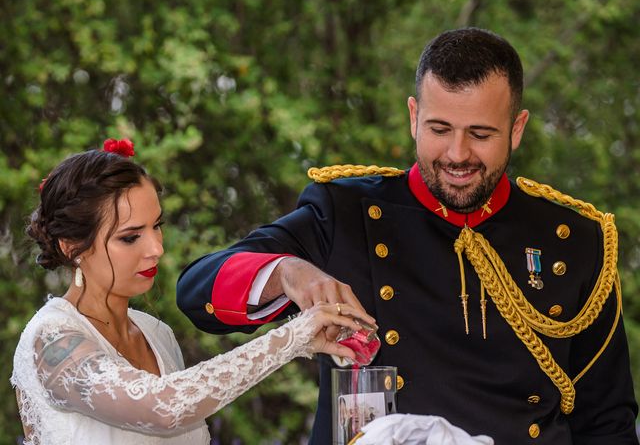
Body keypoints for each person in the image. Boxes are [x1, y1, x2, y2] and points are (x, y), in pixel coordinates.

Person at [176, 28, 639, 444]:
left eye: (480, 134)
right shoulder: (345, 213)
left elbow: (607, 423)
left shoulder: (576, 240)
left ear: (516, 129)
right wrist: (287, 272)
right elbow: (197, 293)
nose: (458, 154)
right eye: (440, 129)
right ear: (414, 117)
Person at [11, 139, 375, 445]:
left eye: (158, 226)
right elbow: (163, 409)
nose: (156, 248)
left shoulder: (158, 336)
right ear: (72, 246)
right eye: (130, 237)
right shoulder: (52, 340)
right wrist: (293, 338)